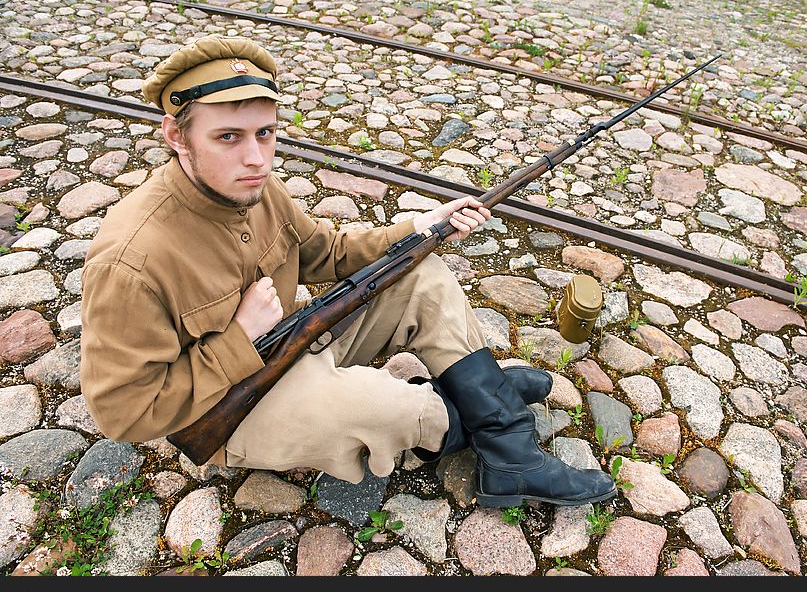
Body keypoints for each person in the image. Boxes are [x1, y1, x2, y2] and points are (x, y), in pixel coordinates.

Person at [80, 35, 616, 508]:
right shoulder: (131, 261)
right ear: (177, 135)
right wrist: (239, 338)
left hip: (290, 348)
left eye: (265, 133)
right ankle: (472, 403)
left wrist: (421, 227)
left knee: (420, 275)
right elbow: (124, 414)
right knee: (387, 407)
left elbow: (325, 253)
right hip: (224, 414)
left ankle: (507, 449)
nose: (257, 159)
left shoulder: (256, 189)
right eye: (228, 137)